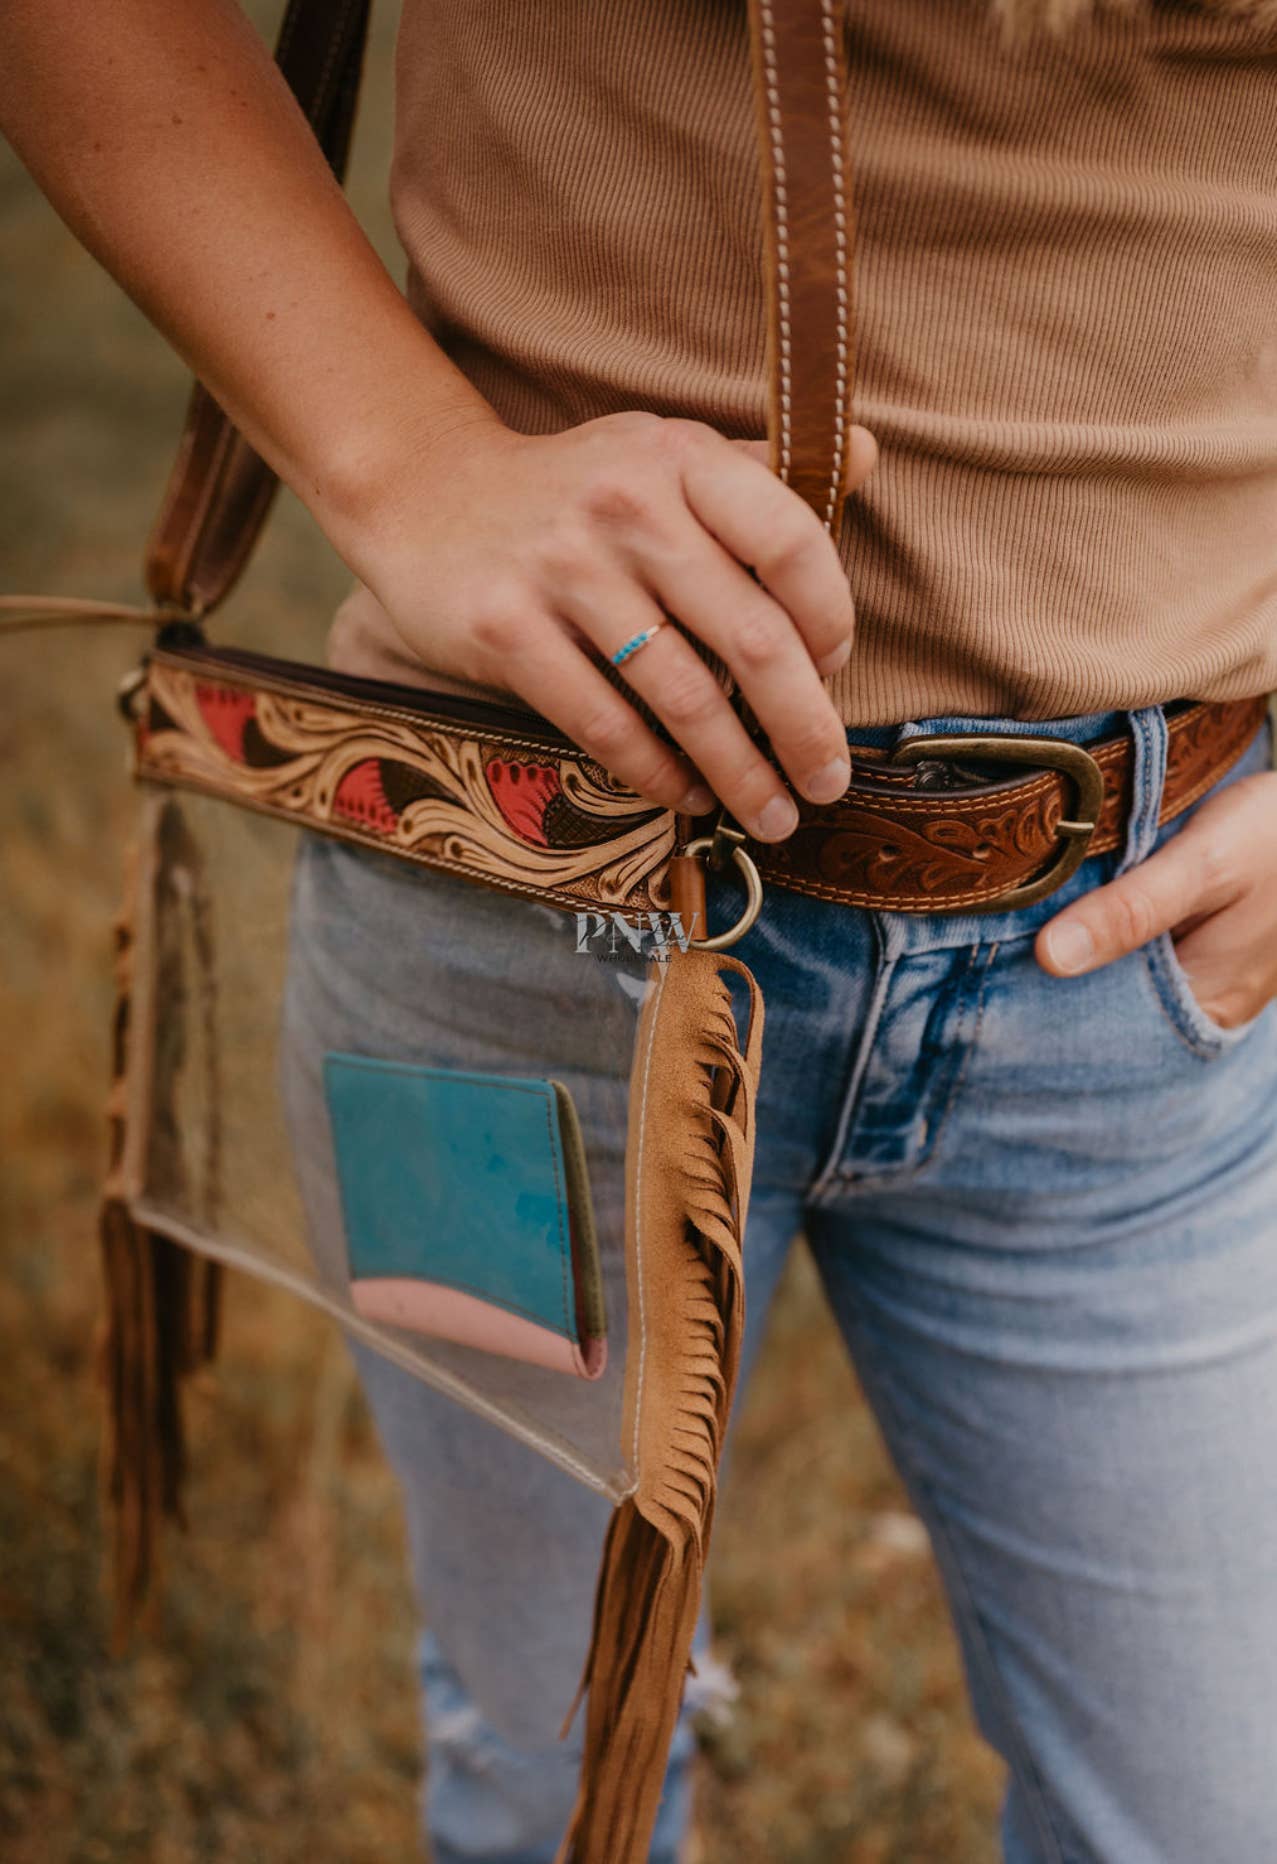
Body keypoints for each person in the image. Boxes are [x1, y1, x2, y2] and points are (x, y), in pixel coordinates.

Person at [5, 1, 1277, 1858]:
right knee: (550, 1778)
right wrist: (400, 459)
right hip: (517, 922)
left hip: (1134, 987)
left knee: (1208, 1815)